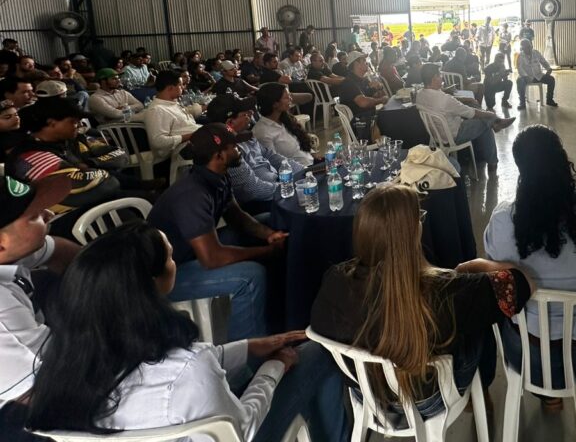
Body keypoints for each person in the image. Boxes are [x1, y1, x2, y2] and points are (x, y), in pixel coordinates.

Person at [24, 222, 346, 442]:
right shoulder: (188, 367)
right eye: (170, 257)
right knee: (318, 351)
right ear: (152, 283)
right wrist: (274, 367)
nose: (175, 262)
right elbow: (242, 430)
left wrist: (249, 347)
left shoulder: (63, 362)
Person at [311, 184, 533, 415]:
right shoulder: (446, 292)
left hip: (365, 392)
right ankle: (481, 391)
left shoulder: (335, 279)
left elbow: (321, 330)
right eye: (419, 218)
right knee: (480, 316)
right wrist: (475, 266)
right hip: (429, 398)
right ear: (412, 232)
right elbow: (524, 282)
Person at [483, 125, 576, 405]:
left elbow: (496, 270)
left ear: (520, 168)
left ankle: (546, 395)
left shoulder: (503, 220)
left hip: (527, 352)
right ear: (563, 158)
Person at [148, 124, 288, 340]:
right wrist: (267, 251)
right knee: (251, 276)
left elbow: (237, 217)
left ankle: (280, 312)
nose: (240, 151)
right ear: (219, 156)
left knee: (267, 220)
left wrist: (269, 234)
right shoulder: (192, 194)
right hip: (168, 276)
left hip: (194, 253)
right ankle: (251, 352)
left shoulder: (218, 177)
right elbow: (212, 258)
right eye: (234, 147)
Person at [4, 97, 140, 237]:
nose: (79, 125)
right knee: (134, 215)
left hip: (92, 205)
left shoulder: (74, 140)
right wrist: (104, 173)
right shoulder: (30, 156)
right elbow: (93, 188)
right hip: (55, 224)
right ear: (51, 123)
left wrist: (91, 164)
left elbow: (120, 154)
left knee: (144, 201)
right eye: (73, 121)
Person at [0, 175, 80, 405]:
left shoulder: (11, 252)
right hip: (18, 404)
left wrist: (108, 281)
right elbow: (40, 396)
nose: (49, 214)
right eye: (34, 216)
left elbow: (60, 251)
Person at [415, 64, 514, 178]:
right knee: (485, 123)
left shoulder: (420, 95)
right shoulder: (444, 100)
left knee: (477, 111)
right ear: (434, 79)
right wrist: (491, 114)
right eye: (440, 75)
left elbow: (449, 101)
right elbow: (471, 113)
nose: (442, 78)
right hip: (454, 135)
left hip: (437, 135)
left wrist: (466, 99)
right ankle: (493, 158)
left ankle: (495, 125)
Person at [210, 94, 303, 211]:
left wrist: (303, 171)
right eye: (245, 114)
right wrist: (289, 188)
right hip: (261, 202)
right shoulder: (227, 152)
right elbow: (253, 189)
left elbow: (272, 157)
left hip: (277, 188)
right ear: (230, 123)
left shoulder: (246, 137)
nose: (251, 113)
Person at [253, 83, 315, 168]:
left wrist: (315, 156)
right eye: (286, 97)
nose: (290, 99)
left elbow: (301, 146)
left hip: (311, 163)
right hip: (299, 171)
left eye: (289, 96)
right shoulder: (262, 131)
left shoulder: (285, 119)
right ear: (275, 103)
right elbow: (274, 162)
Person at [143, 70, 199, 164]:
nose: (183, 87)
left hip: (194, 140)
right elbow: (158, 142)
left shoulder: (171, 103)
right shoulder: (157, 110)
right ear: (170, 88)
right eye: (180, 85)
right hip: (183, 150)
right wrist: (191, 135)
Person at [336, 53, 387, 135]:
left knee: (392, 115)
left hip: (369, 117)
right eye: (364, 60)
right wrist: (381, 100)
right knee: (392, 121)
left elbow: (377, 96)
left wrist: (379, 87)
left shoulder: (364, 80)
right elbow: (364, 103)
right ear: (356, 64)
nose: (367, 63)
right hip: (360, 124)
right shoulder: (349, 82)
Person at [515, 39, 557, 109]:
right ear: (522, 48)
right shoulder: (520, 56)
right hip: (526, 77)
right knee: (519, 81)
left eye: (530, 46)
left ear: (531, 46)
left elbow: (543, 62)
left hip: (538, 75)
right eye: (526, 47)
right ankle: (522, 102)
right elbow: (520, 68)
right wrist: (526, 76)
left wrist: (548, 68)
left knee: (551, 79)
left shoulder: (536, 53)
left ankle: (549, 100)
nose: (529, 49)